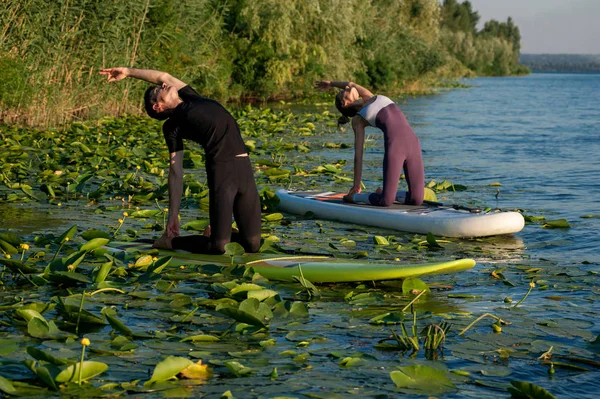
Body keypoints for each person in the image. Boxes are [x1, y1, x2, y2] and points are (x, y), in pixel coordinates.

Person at [100, 67, 261, 254]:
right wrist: (173, 216)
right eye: (159, 89)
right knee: (219, 247)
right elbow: (176, 172)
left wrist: (128, 72)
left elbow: (163, 75)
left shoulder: (193, 98)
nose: (164, 85)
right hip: (223, 172)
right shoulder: (173, 126)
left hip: (245, 170)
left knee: (253, 245)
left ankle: (214, 233)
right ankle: (170, 243)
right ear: (157, 106)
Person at [315, 80, 424, 206]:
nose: (347, 88)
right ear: (345, 103)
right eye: (344, 91)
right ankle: (355, 197)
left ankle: (384, 192)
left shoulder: (369, 96)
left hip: (414, 144)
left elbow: (350, 83)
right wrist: (356, 185)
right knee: (386, 201)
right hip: (396, 147)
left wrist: (331, 83)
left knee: (416, 200)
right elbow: (358, 155)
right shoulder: (358, 120)